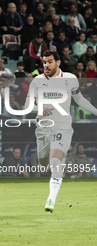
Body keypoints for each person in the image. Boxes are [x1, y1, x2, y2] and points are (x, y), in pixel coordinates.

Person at [24, 50, 97, 213]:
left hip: (62, 127)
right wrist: (41, 108)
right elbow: (27, 106)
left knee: (55, 162)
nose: (46, 65)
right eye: (44, 62)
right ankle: (53, 165)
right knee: (43, 165)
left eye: (49, 61)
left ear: (58, 63)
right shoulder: (37, 81)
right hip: (43, 130)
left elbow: (80, 100)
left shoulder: (70, 79)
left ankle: (51, 199)